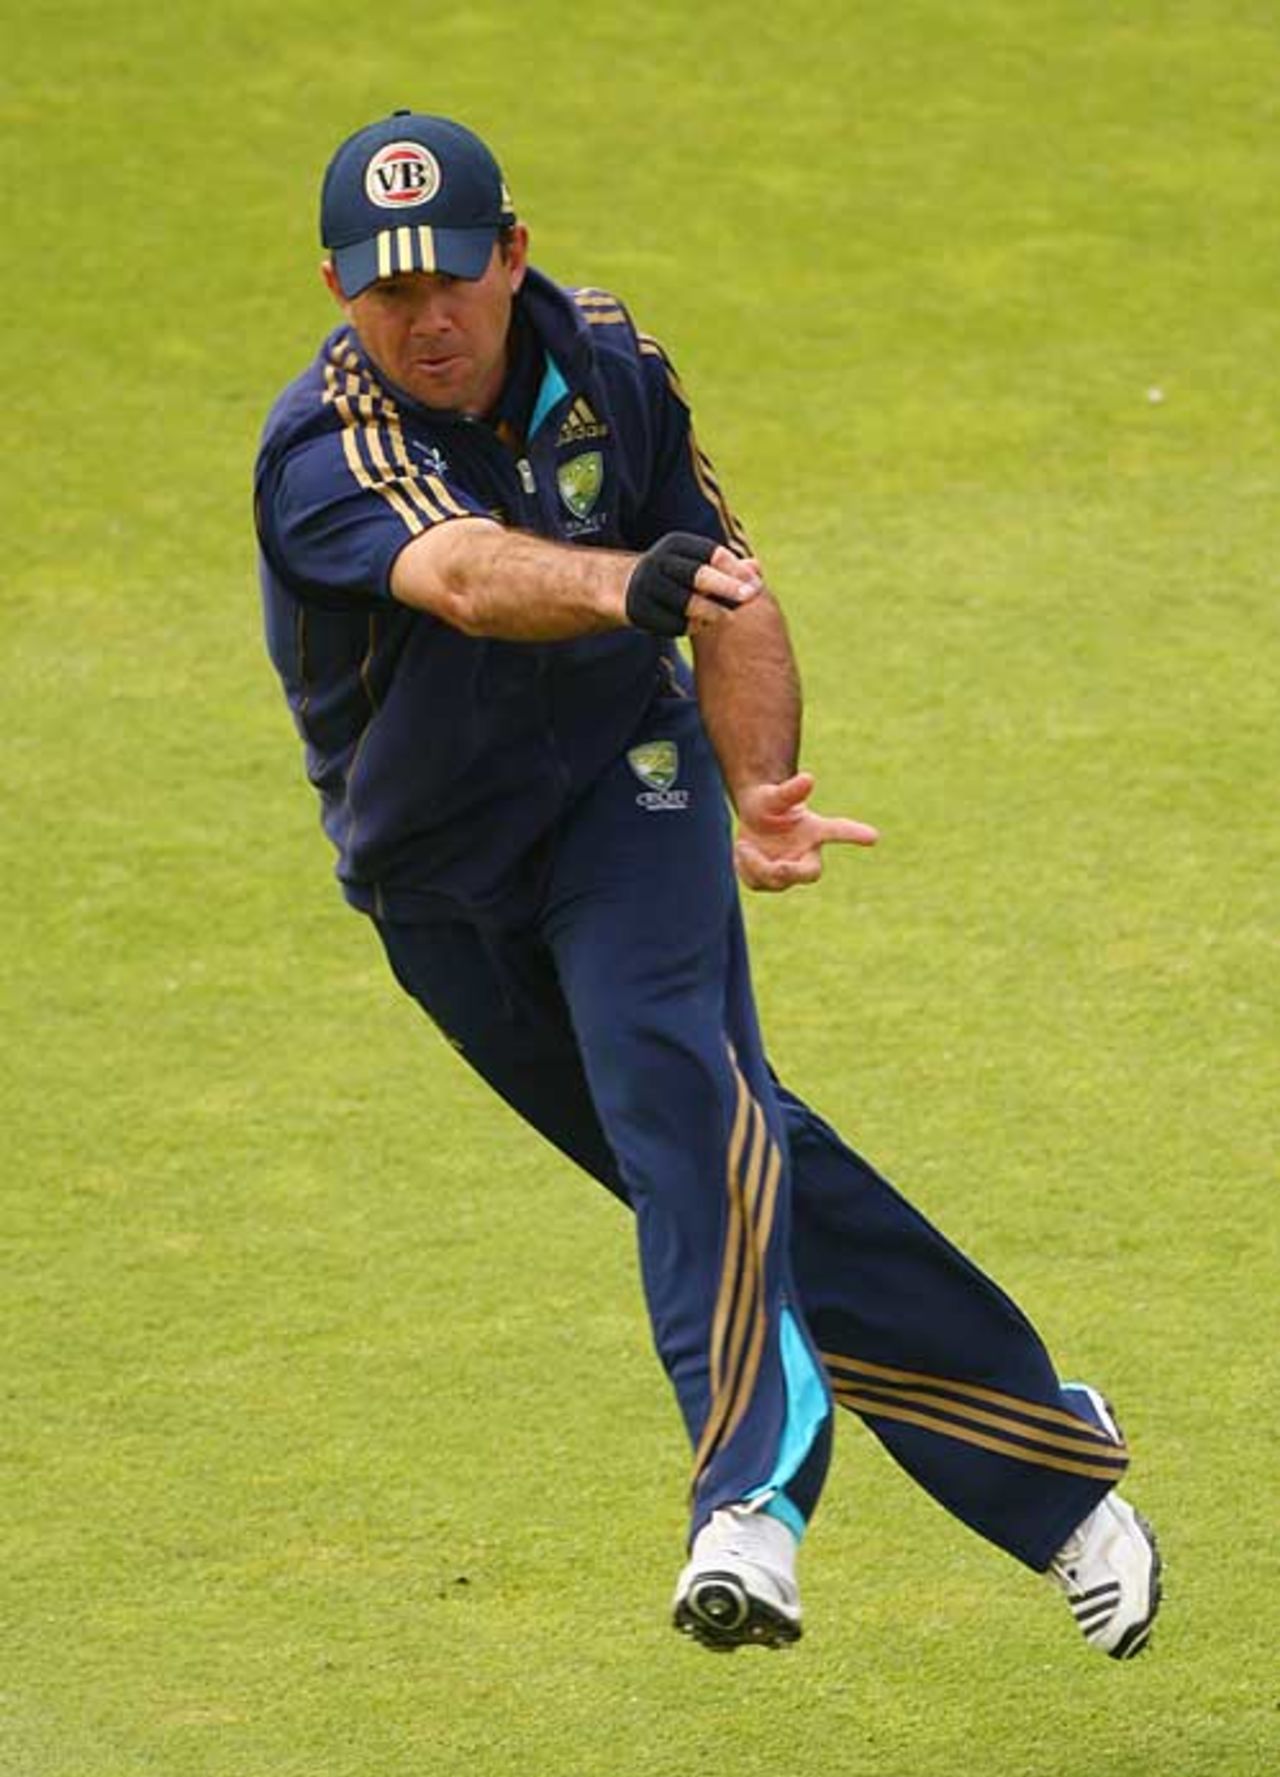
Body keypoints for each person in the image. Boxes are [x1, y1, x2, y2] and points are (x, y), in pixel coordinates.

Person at [254, 109, 1162, 1660]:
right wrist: (631, 582)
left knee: (678, 1095)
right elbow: (470, 575)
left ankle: (751, 1498)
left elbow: (727, 592)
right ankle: (1053, 1459)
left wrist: (756, 787)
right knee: (732, 1155)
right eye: (387, 293)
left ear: (512, 253)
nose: (427, 321)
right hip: (440, 888)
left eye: (452, 280)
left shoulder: (611, 365)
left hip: (630, 796)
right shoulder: (326, 448)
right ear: (340, 291)